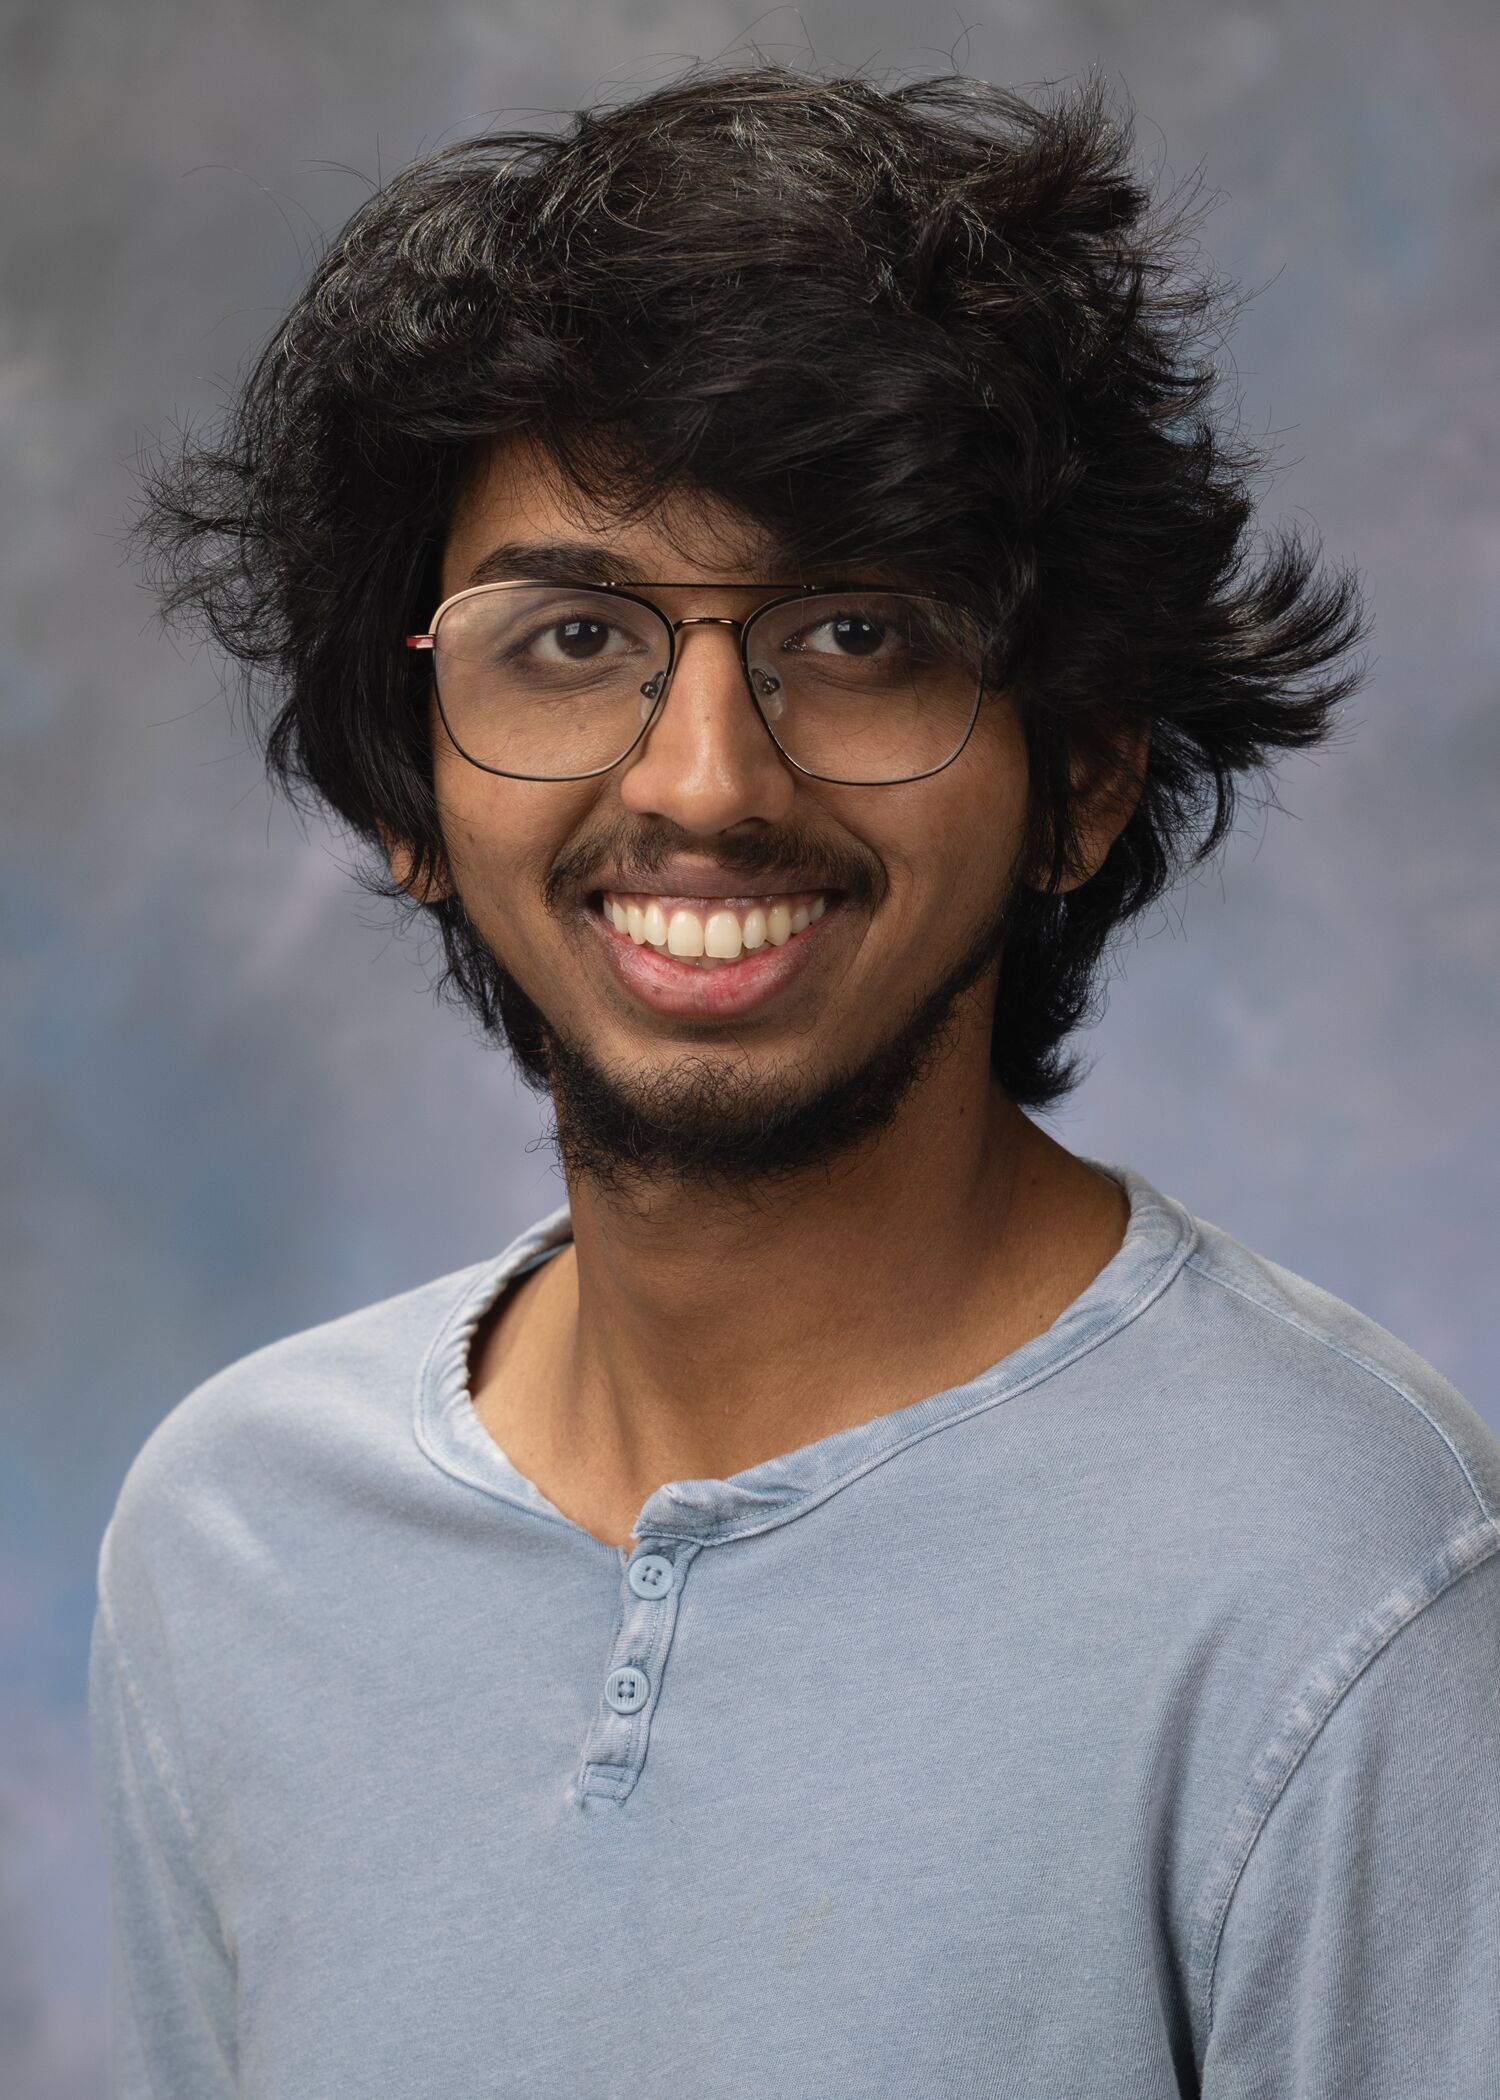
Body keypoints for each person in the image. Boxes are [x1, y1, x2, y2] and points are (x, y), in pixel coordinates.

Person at [90, 62, 1500, 2098]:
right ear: (407, 787)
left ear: (1079, 779)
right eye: (570, 636)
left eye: (856, 631)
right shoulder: (230, 1535)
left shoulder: (1349, 1582)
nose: (702, 782)